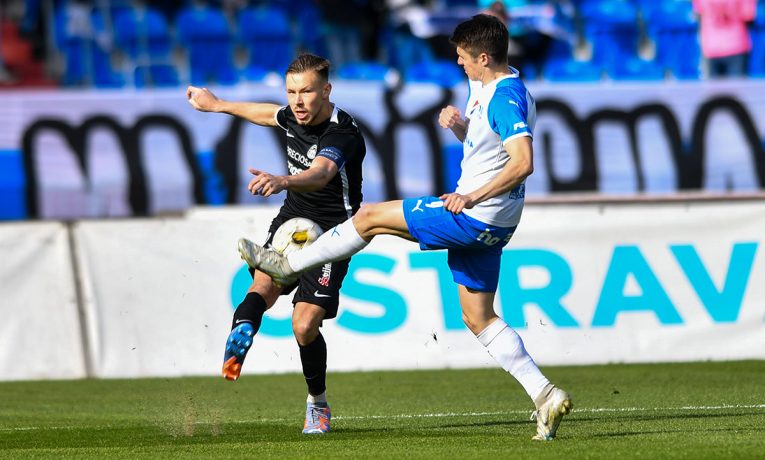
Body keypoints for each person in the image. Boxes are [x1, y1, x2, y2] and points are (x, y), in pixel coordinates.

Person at [237, 15, 573, 441]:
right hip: (498, 224)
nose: (458, 62)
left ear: (483, 58)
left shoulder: (503, 98)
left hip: (473, 215)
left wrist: (470, 197)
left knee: (370, 217)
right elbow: (494, 149)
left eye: (464, 57)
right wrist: (462, 129)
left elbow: (523, 162)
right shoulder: (503, 87)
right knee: (478, 317)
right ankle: (545, 394)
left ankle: (291, 264)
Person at [186, 53, 366, 435]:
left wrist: (283, 180)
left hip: (332, 234)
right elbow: (268, 113)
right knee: (262, 287)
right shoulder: (292, 114)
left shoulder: (342, 132)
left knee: (303, 326)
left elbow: (322, 173)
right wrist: (217, 105)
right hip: (291, 223)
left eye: (307, 92)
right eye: (291, 92)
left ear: (327, 90)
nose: (297, 101)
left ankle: (317, 403)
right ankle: (242, 333)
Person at [693, 0, 757, 78]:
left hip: (711, 47)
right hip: (736, 45)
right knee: (737, 89)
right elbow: (748, 16)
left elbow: (697, 14)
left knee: (712, 89)